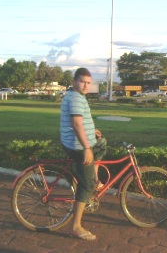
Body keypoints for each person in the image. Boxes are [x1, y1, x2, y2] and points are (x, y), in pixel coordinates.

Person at [60, 68, 107, 240]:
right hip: (77, 146)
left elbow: (81, 122)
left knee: (101, 144)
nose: (86, 85)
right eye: (82, 82)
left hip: (81, 141)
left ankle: (94, 178)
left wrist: (91, 130)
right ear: (74, 82)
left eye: (88, 82)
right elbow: (76, 124)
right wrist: (87, 148)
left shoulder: (78, 96)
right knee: (86, 184)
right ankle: (76, 227)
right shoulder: (75, 98)